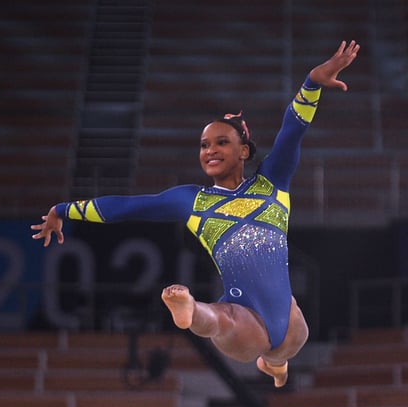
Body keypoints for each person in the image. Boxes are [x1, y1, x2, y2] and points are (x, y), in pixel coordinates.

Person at [31, 41, 360, 388]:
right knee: (222, 320)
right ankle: (189, 309)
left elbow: (292, 132)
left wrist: (311, 83)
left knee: (287, 344)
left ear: (244, 150)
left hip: (292, 325)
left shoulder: (271, 182)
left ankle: (276, 366)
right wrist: (64, 209)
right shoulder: (191, 201)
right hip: (245, 318)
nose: (210, 150)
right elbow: (127, 207)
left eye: (221, 142)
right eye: (204, 145)